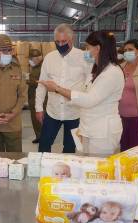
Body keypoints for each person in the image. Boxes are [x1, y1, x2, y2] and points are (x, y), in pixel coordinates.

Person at [38, 31, 124, 155]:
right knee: (88, 165)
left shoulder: (111, 73)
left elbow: (89, 100)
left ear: (97, 48)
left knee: (98, 169)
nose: (85, 51)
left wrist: (57, 88)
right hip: (89, 128)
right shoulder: (98, 69)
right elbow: (85, 91)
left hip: (102, 132)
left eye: (87, 47)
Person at [35, 23, 92, 153]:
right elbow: (41, 85)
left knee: (70, 148)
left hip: (75, 113)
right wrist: (38, 108)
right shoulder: (49, 58)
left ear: (72, 39)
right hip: (52, 112)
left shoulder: (84, 57)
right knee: (44, 145)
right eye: (57, 41)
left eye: (64, 41)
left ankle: (65, 172)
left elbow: (90, 84)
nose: (60, 45)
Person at [27, 49, 46, 144]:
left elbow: (41, 82)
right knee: (35, 119)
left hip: (38, 97)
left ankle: (43, 137)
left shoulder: (43, 67)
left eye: (32, 58)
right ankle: (39, 136)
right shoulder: (35, 67)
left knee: (39, 119)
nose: (30, 60)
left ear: (38, 58)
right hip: (32, 96)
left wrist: (27, 80)